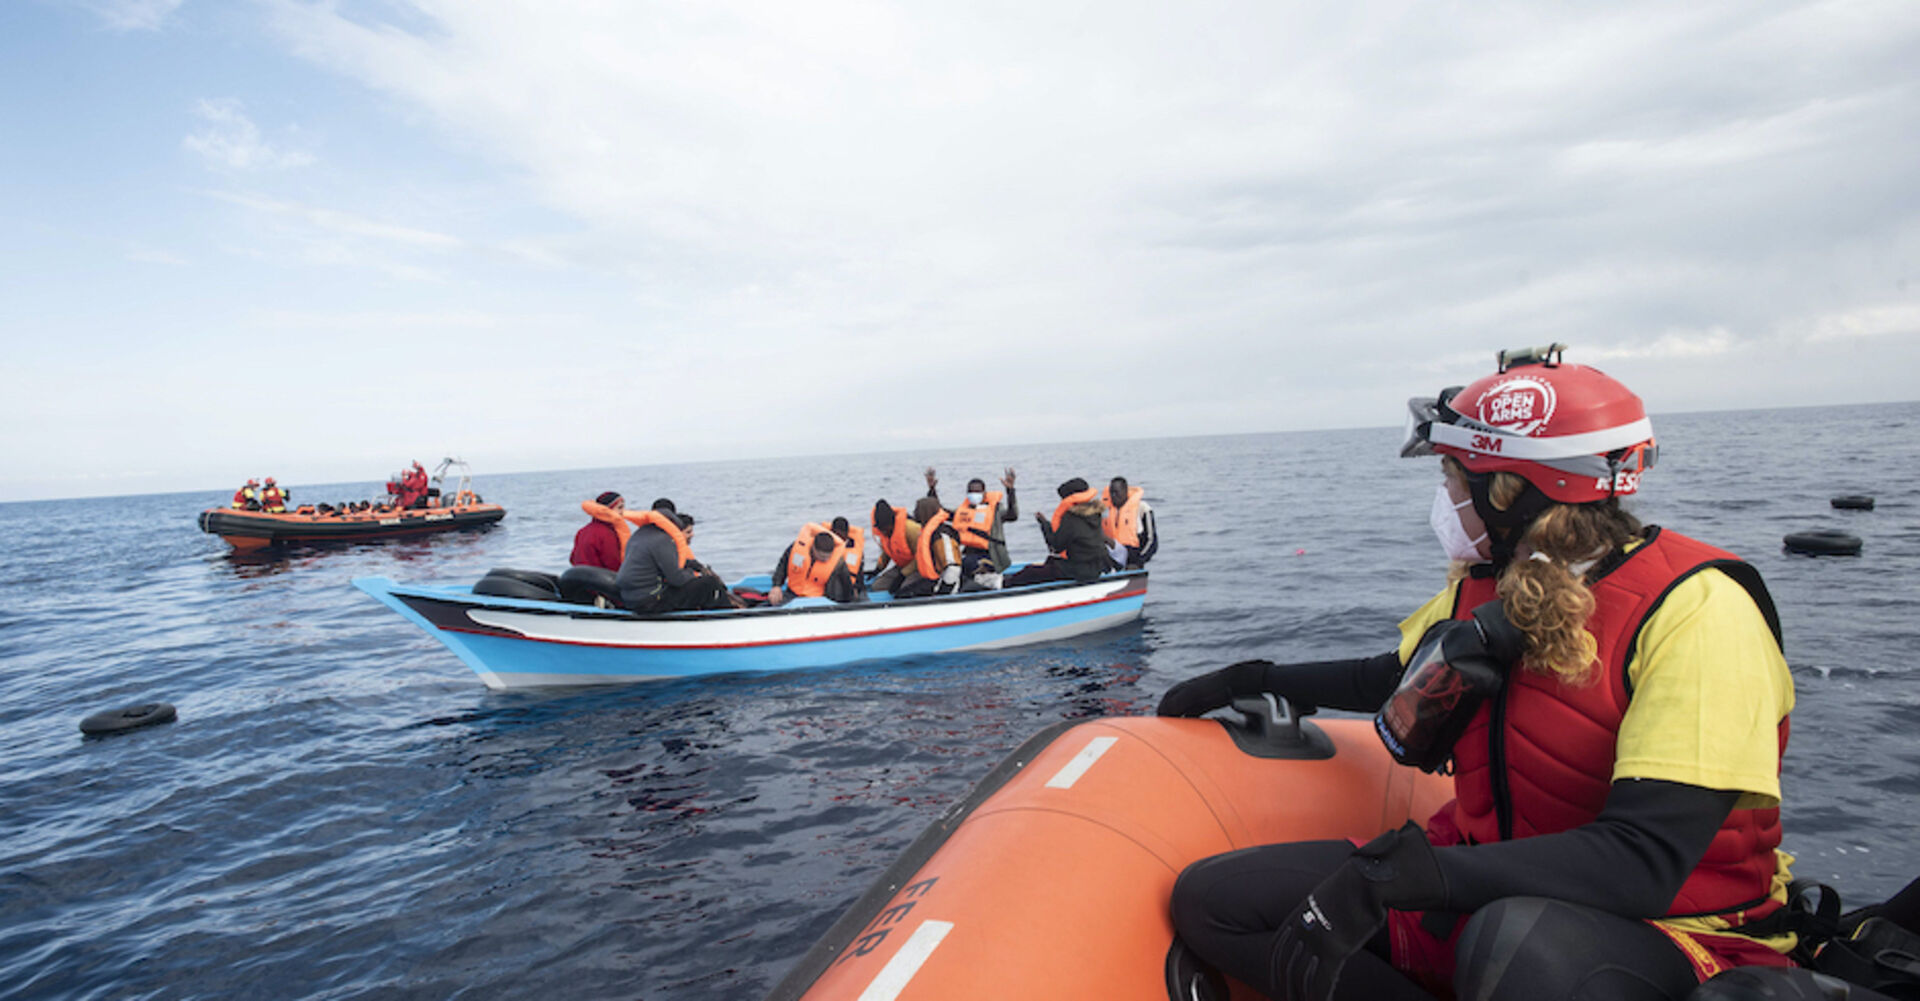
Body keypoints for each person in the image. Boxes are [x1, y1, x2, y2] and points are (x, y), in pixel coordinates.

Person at [1159, 345, 1796, 1001]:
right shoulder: (1493, 588)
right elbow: (1394, 677)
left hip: (1673, 931)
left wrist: (1409, 876)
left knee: (1516, 946)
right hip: (1482, 880)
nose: (1445, 500)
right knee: (1215, 901)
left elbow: (1645, 858)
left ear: (1508, 491)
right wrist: (1253, 675)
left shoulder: (1698, 609)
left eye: (1453, 481)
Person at [614, 498, 734, 612]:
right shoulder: (662, 539)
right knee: (709, 583)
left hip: (631, 598)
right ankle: (728, 617)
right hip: (650, 601)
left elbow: (662, 563)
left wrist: (690, 564)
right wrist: (693, 574)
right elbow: (677, 579)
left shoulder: (639, 535)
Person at [1005, 478, 1112, 587]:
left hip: (1080, 571)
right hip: (1096, 567)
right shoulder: (1095, 515)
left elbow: (1057, 546)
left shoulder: (1071, 517)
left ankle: (1005, 585)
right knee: (1051, 561)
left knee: (1030, 571)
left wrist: (1044, 524)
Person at [925, 466, 1019, 573]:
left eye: (977, 491)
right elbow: (941, 512)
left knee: (968, 565)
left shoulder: (996, 509)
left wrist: (1010, 491)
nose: (974, 494)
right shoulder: (964, 511)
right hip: (970, 553)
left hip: (992, 555)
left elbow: (1012, 515)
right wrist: (932, 489)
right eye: (971, 491)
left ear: (984, 493)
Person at [769, 520, 863, 605]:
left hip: (820, 599)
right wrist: (776, 586)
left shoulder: (838, 561)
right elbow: (782, 566)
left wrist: (852, 601)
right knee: (771, 603)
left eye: (828, 556)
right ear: (813, 548)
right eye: (822, 557)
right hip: (793, 594)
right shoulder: (797, 548)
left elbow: (846, 584)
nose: (826, 559)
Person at [893, 496, 964, 599]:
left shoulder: (941, 535)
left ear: (925, 512)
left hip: (945, 584)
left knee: (903, 596)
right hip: (933, 580)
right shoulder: (930, 532)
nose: (914, 513)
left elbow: (953, 567)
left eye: (917, 510)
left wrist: (943, 593)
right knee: (901, 593)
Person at [868, 499, 925, 595]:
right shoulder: (885, 533)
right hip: (902, 567)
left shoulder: (912, 530)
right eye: (881, 528)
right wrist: (877, 569)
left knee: (904, 589)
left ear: (892, 522)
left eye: (885, 528)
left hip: (920, 568)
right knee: (877, 587)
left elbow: (921, 557)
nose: (883, 531)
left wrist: (902, 575)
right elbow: (887, 551)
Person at [1102, 476, 1157, 569]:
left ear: (1125, 491)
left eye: (1116, 492)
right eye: (1111, 493)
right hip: (1112, 561)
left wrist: (1138, 562)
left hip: (1134, 562)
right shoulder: (1104, 510)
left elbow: (1152, 541)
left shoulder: (1142, 508)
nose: (1113, 496)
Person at [571, 491, 626, 571]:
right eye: (620, 508)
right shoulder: (607, 534)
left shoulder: (582, 531)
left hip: (578, 578)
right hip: (598, 581)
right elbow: (613, 564)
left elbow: (573, 559)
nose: (623, 512)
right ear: (607, 510)